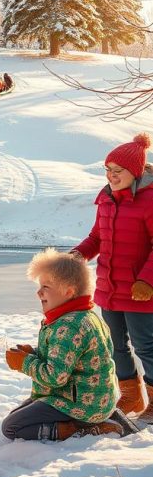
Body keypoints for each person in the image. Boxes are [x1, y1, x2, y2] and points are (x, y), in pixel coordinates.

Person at [2, 249, 136, 441]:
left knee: (11, 427)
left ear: (69, 291)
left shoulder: (70, 326)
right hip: (94, 398)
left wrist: (25, 363)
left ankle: (79, 428)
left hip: (80, 405)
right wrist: (34, 353)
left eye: (46, 286)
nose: (38, 292)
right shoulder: (83, 316)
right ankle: (99, 418)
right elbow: (67, 356)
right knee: (18, 414)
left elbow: (55, 377)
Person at [72, 133, 153, 421]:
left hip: (140, 291)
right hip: (109, 287)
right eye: (108, 170)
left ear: (135, 171)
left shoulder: (150, 200)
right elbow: (97, 237)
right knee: (114, 345)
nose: (111, 176)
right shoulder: (106, 199)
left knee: (146, 346)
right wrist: (78, 255)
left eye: (117, 171)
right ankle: (130, 395)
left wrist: (147, 281)